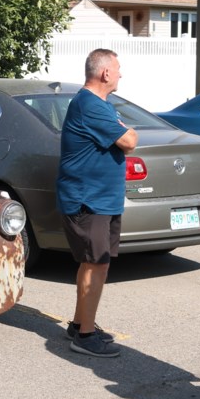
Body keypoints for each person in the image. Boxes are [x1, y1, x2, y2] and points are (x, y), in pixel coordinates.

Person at [57, 48, 138, 357]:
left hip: (100, 200)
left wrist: (124, 130)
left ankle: (80, 324)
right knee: (97, 263)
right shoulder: (90, 105)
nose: (120, 74)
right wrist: (126, 131)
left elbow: (124, 137)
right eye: (117, 69)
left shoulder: (98, 104)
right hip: (88, 200)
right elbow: (129, 140)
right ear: (105, 73)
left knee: (92, 263)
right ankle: (85, 336)